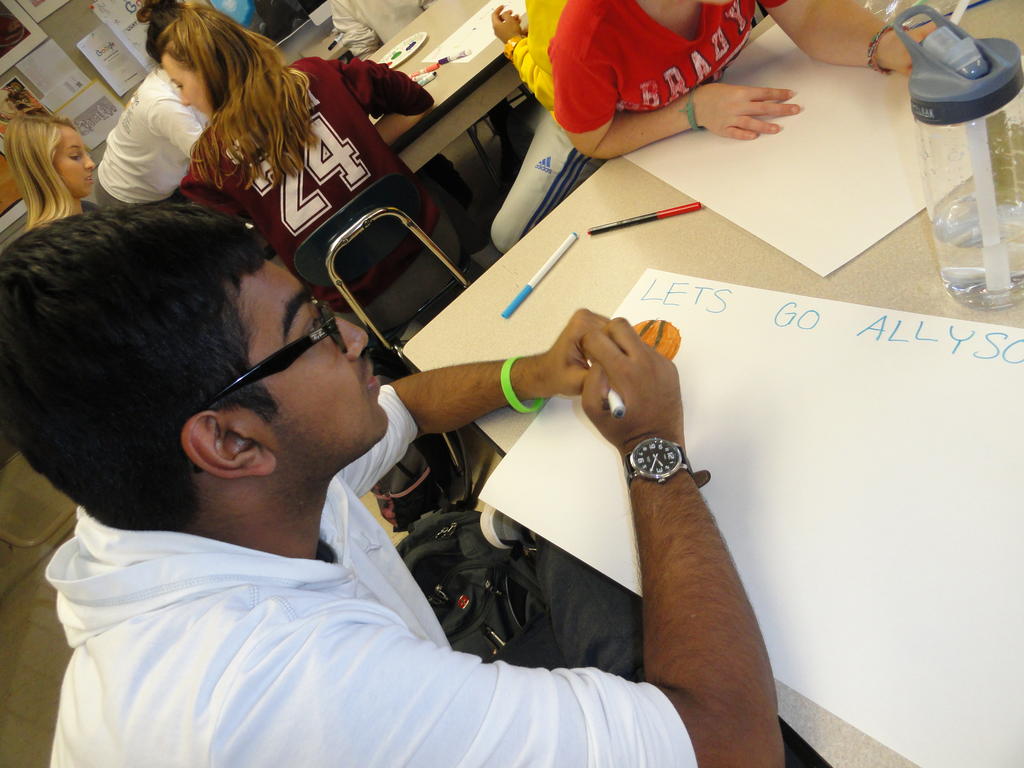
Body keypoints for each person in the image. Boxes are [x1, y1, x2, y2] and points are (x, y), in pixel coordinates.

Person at [0, 203, 782, 766]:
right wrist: (650, 445)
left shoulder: (180, 504)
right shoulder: (290, 690)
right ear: (231, 440)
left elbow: (404, 405)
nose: (352, 335)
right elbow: (732, 746)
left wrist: (532, 374)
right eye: (312, 330)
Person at [163, 3, 460, 327]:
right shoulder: (318, 74)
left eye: (180, 85)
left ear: (207, 75)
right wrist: (366, 142)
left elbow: (237, 246)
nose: (184, 100)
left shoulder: (209, 167)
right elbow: (416, 100)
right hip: (434, 247)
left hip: (363, 307)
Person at [549, 0, 932, 158]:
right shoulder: (584, 42)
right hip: (640, 151)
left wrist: (884, 46)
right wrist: (692, 110)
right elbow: (593, 141)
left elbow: (809, 16)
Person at [488, 1, 603, 252]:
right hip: (586, 94)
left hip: (592, 118)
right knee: (518, 122)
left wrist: (514, 44)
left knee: (504, 235)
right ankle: (564, 199)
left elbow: (558, 93)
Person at [94, 0, 205, 206]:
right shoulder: (164, 102)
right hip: (127, 195)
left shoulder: (173, 77)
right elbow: (210, 157)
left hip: (156, 178)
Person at [5, 112, 95, 230]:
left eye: (85, 152)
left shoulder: (88, 210)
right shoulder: (55, 239)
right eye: (75, 156)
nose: (91, 164)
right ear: (42, 168)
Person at [329, 0, 435, 59]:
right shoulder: (340, 2)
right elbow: (365, 51)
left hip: (437, 39)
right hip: (403, 61)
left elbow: (438, 6)